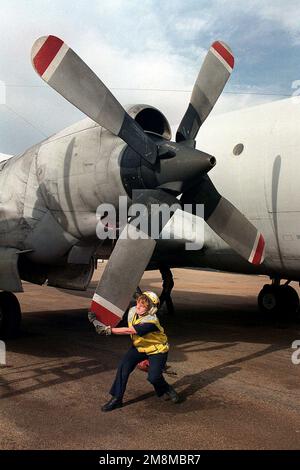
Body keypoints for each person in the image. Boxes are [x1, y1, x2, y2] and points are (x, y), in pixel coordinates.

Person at [88, 291, 180, 412]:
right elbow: (120, 322)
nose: (138, 307)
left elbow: (129, 330)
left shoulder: (151, 322)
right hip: (139, 347)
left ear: (151, 310)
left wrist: (109, 331)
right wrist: (99, 320)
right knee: (123, 367)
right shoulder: (133, 311)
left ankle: (166, 388)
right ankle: (117, 399)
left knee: (153, 377)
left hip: (157, 349)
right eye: (138, 303)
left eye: (142, 306)